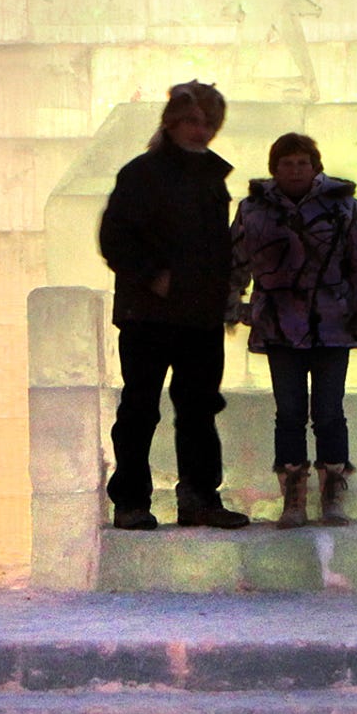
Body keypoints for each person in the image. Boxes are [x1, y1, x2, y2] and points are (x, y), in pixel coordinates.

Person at [95, 80, 251, 530]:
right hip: (148, 314)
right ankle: (130, 502)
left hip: (198, 315)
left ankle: (199, 498)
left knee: (200, 409)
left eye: (208, 123)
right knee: (140, 407)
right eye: (192, 121)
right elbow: (115, 237)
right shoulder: (142, 173)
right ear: (172, 121)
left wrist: (225, 296)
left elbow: (216, 248)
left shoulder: (210, 177)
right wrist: (152, 276)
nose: (200, 131)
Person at [229, 131, 357, 528]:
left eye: (302, 162)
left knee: (330, 410)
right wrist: (232, 303)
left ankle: (333, 487)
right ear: (274, 168)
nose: (295, 169)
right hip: (280, 323)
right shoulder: (253, 210)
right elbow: (235, 260)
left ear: (315, 166)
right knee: (289, 411)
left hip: (332, 321)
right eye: (287, 163)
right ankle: (293, 493)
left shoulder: (342, 207)